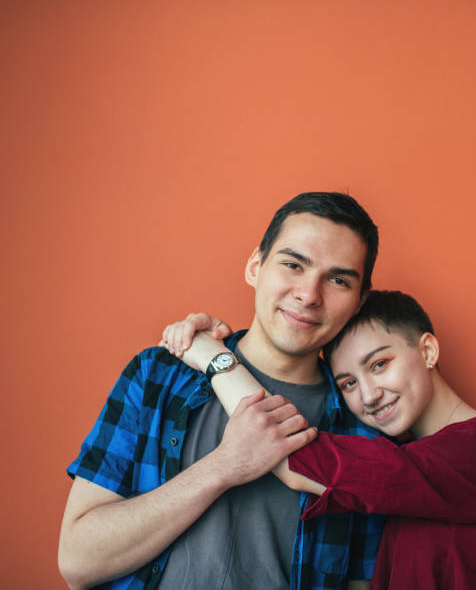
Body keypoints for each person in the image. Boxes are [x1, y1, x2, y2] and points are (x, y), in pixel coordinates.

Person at [58, 192, 386, 590]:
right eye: (293, 264)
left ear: (359, 302)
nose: (308, 294)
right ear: (254, 266)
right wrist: (224, 466)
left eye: (337, 280)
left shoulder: (365, 428)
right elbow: (78, 561)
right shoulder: (158, 376)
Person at [162, 290, 476, 590]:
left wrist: (215, 359)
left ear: (428, 350)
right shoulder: (401, 461)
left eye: (380, 364)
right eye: (348, 383)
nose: (368, 395)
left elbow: (290, 456)